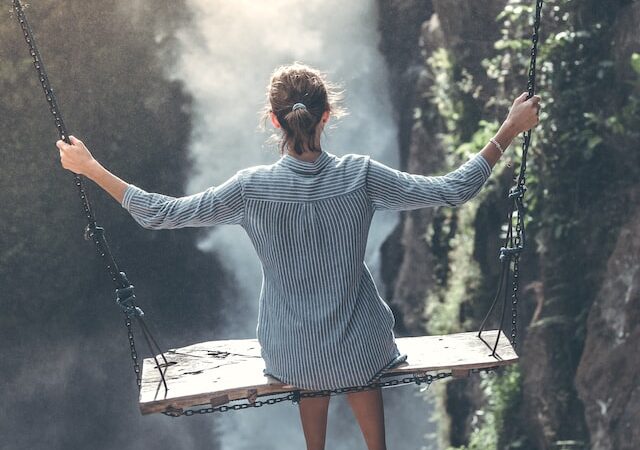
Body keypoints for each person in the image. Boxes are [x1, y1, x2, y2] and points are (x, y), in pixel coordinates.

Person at [56, 63, 541, 450]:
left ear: (274, 121)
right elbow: (456, 189)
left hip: (291, 354)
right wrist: (509, 129)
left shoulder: (250, 188)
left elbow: (160, 213)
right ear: (327, 116)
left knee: (312, 359)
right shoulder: (360, 175)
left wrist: (91, 167)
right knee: (358, 348)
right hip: (360, 350)